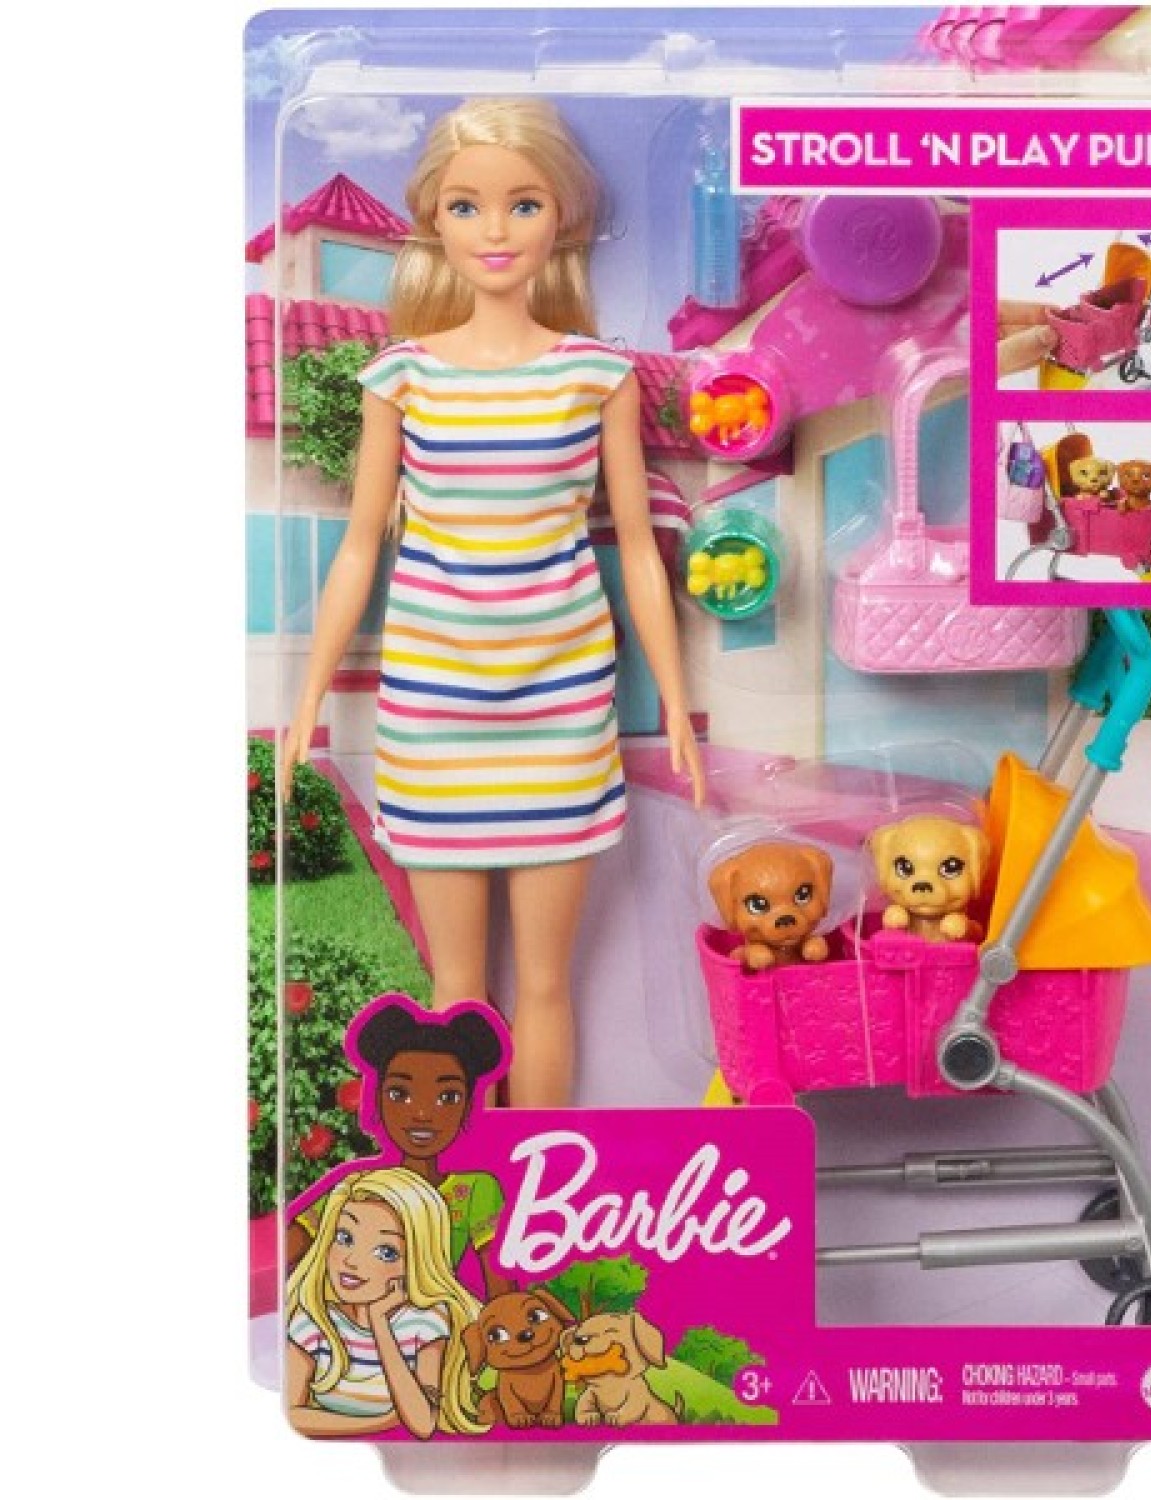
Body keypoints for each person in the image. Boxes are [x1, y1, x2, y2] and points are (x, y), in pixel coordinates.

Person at [281, 100, 705, 1107]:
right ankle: (461, 1182)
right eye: (467, 206)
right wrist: (306, 700)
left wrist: (678, 705)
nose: (496, 230)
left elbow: (640, 549)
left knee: (549, 985)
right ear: (433, 218)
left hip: (560, 708)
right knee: (456, 992)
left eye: (524, 204)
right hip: (434, 712)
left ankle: (535, 1178)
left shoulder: (595, 376)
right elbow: (360, 546)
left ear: (562, 217)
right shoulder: (403, 378)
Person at [286, 998, 513, 1297]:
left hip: (438, 1320)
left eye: (448, 1097)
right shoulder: (358, 1188)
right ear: (378, 1098)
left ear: (468, 1105)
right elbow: (289, 1248)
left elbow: (502, 1293)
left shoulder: (474, 1191)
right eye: (399, 1094)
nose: (422, 1113)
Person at [285, 1167, 484, 1437]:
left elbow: (423, 1423)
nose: (351, 1261)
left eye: (385, 1252)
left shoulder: (426, 1320)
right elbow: (293, 1416)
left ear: (414, 1262)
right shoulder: (313, 1319)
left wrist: (380, 1324)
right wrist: (381, 1422)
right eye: (344, 1238)